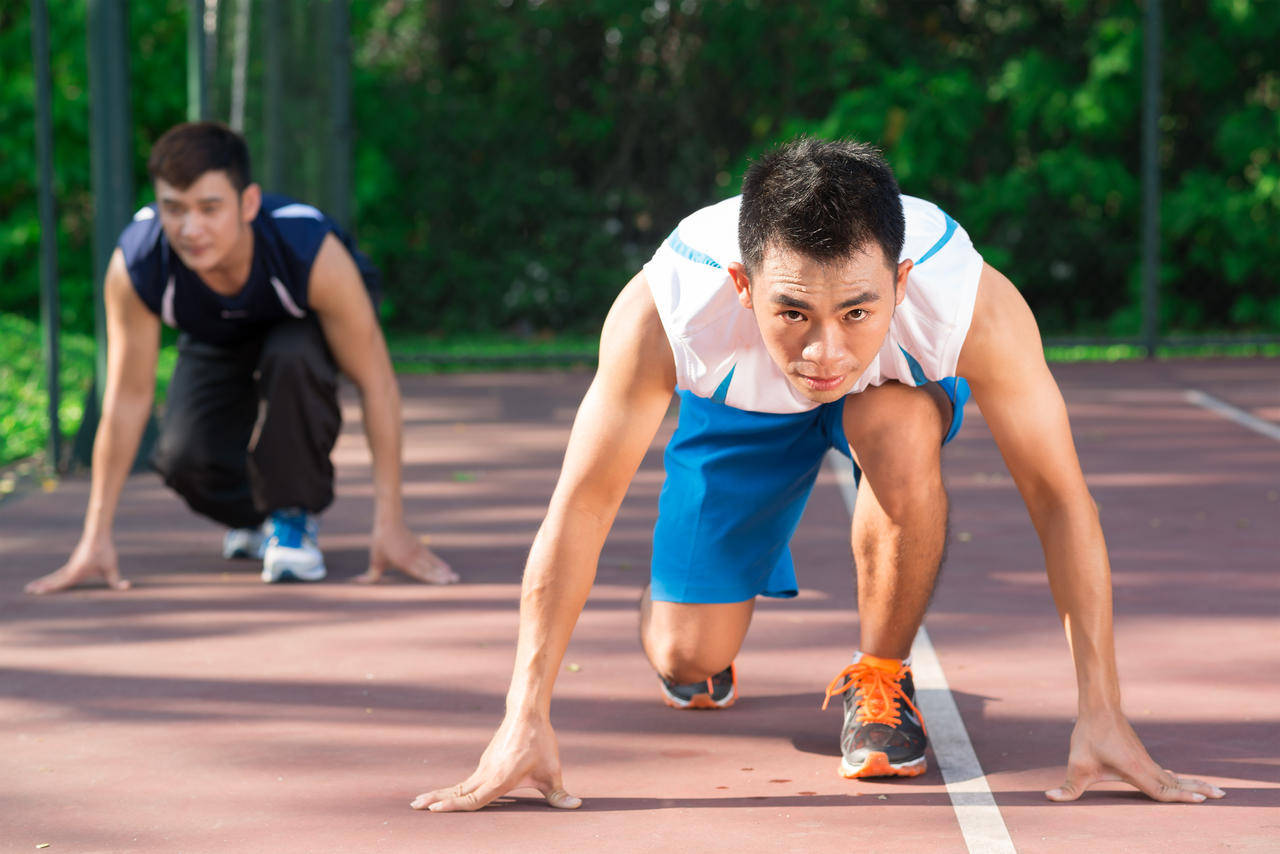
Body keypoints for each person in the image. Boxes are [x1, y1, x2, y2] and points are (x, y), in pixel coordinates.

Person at [411, 138, 1223, 811]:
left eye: (857, 313)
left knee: (900, 426)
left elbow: (1058, 497)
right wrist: (525, 713)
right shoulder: (670, 309)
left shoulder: (967, 299)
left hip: (893, 393)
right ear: (742, 286)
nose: (826, 352)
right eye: (793, 312)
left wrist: (1103, 711)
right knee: (688, 660)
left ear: (901, 286)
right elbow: (581, 506)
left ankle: (882, 681)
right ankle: (686, 606)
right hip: (740, 406)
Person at [25, 121, 457, 594]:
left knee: (291, 355)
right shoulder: (138, 264)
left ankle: (293, 517)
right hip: (216, 332)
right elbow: (127, 398)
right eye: (174, 208)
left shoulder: (310, 251)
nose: (191, 229)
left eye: (210, 208)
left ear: (248, 203)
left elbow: (377, 384)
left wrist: (391, 522)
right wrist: (95, 535)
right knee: (182, 459)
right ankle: (260, 517)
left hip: (300, 324)